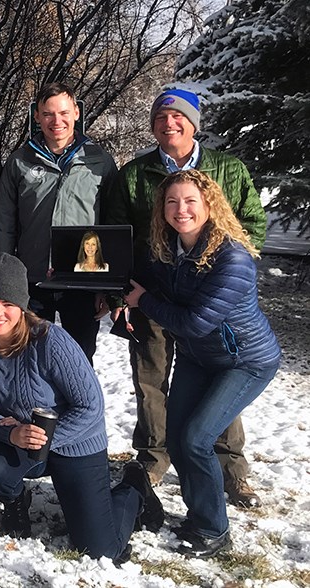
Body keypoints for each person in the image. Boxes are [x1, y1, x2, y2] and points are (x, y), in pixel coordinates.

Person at [104, 89, 267, 505]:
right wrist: (124, 292)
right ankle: (154, 457)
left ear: (194, 124)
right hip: (150, 293)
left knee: (219, 376)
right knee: (150, 378)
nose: (169, 124)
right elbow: (118, 235)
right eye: (161, 117)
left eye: (178, 117)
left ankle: (231, 466)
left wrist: (232, 276)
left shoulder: (227, 169)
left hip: (206, 298)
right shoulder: (134, 174)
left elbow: (251, 222)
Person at [0, 252, 162, 563]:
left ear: (22, 306)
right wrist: (10, 435)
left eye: (8, 304)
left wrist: (46, 440)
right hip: (20, 441)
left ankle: (133, 486)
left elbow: (91, 405)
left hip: (76, 442)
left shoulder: (50, 341)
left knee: (101, 550)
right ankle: (15, 500)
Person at [123, 170, 279, 557]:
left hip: (244, 361)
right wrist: (95, 285)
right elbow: (136, 278)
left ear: (209, 205)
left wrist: (142, 302)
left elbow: (194, 321)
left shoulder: (233, 258)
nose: (181, 210)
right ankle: (199, 515)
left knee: (197, 439)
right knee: (177, 437)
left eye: (190, 201)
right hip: (198, 356)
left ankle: (214, 530)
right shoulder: (169, 247)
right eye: (172, 202)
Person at [0, 82, 117, 363]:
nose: (56, 121)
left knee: (80, 357)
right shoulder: (20, 161)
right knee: (29, 354)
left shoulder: (99, 160)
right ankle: (34, 407)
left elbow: (113, 222)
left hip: (83, 277)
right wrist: (6, 275)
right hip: (33, 278)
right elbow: (4, 222)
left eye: (63, 112)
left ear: (76, 113)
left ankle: (81, 406)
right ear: (37, 116)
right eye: (48, 114)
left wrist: (106, 285)